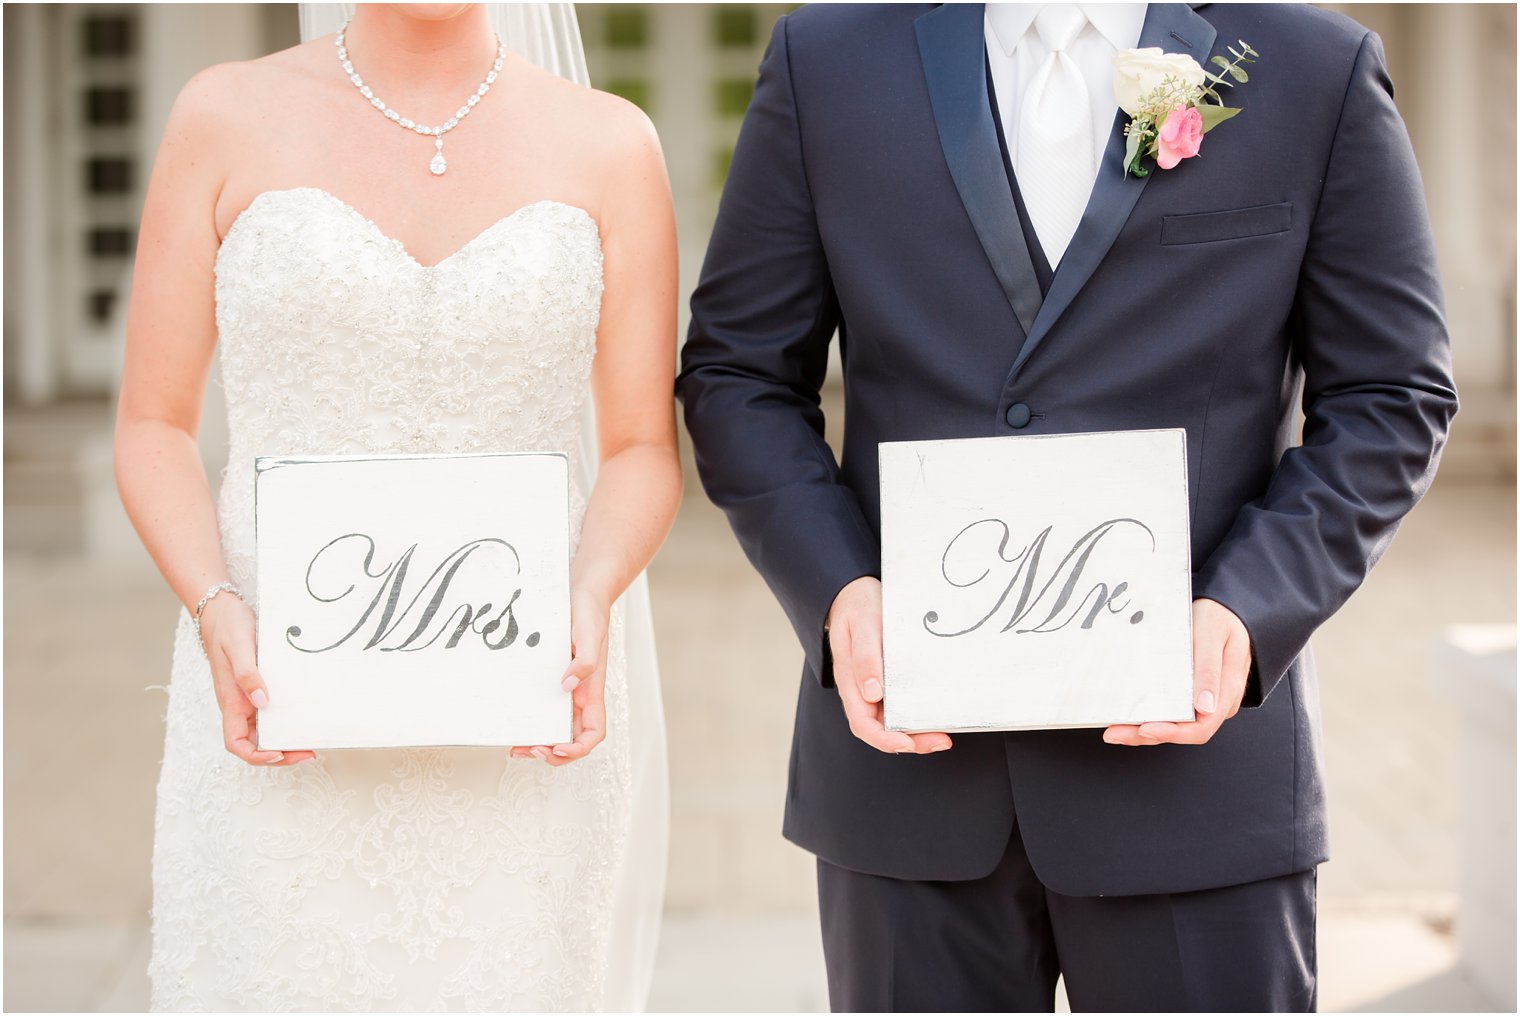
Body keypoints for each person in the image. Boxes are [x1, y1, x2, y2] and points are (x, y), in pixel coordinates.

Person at [677, 2, 1457, 1010]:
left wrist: (1245, 608)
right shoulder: (825, 57)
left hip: (1194, 778)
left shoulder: (1311, 64)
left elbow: (1391, 394)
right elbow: (735, 372)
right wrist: (836, 591)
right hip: (912, 782)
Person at [114, 3, 680, 1009]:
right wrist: (214, 605)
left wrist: (591, 591)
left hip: (522, 715)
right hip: (277, 700)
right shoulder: (223, 115)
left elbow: (640, 446)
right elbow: (153, 423)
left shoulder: (610, 143)